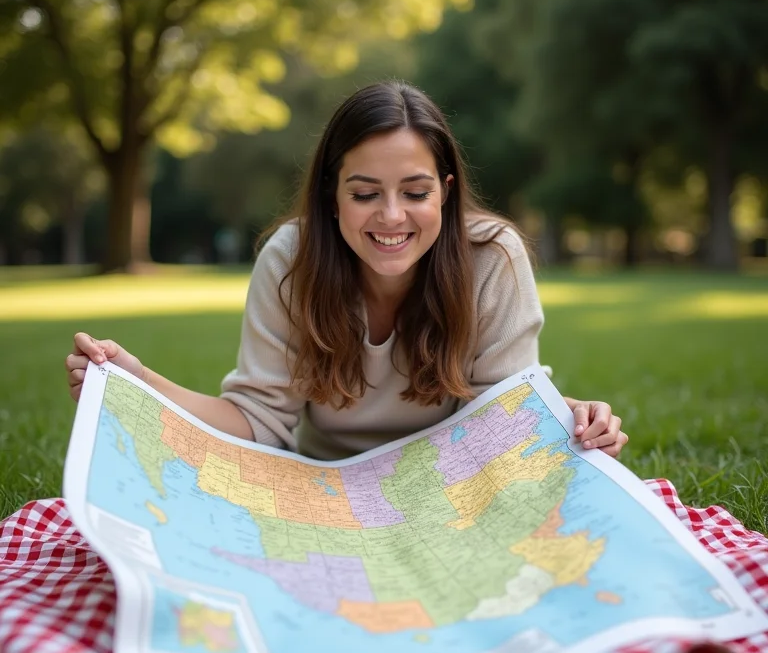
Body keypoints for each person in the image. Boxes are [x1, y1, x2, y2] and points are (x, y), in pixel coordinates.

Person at [65, 81, 628, 461]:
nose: (391, 216)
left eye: (415, 192)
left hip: (457, 491)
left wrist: (573, 417)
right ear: (332, 197)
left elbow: (500, 419)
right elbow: (258, 420)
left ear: (446, 194)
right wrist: (140, 385)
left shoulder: (492, 258)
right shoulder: (290, 259)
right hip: (322, 494)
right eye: (364, 193)